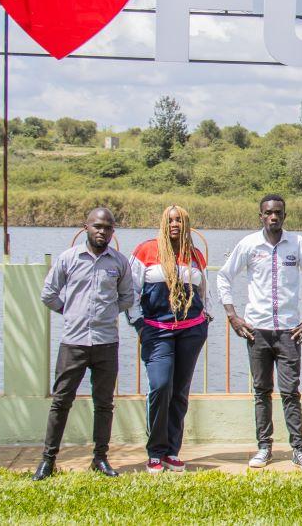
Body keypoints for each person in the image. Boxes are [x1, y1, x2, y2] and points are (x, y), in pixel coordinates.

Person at [215, 194, 302, 471]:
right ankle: (264, 448)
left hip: (289, 331)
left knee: (290, 392)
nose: (273, 217)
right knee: (261, 391)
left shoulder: (297, 244)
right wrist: (232, 315)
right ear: (261, 216)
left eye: (278, 212)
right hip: (257, 331)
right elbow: (224, 276)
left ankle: (299, 450)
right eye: (268, 213)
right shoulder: (249, 245)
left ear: (284, 216)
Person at [33, 207, 136, 480]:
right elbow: (49, 294)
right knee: (61, 401)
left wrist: (107, 312)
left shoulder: (119, 262)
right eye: (97, 226)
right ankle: (48, 460)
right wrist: (70, 311)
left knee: (104, 404)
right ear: (86, 227)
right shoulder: (68, 259)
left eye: (108, 227)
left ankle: (100, 458)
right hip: (73, 342)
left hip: (106, 342)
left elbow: (127, 297)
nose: (102, 231)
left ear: (113, 232)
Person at [129, 205, 210, 474]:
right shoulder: (146, 250)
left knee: (179, 391)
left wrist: (205, 320)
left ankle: (172, 451)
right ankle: (155, 452)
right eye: (170, 220)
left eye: (179, 220)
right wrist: (139, 325)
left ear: (186, 224)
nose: (175, 224)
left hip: (191, 331)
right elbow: (131, 291)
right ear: (163, 223)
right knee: (161, 386)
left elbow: (204, 291)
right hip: (157, 331)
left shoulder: (195, 255)